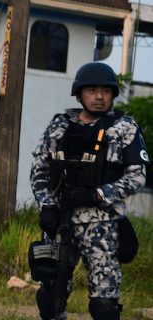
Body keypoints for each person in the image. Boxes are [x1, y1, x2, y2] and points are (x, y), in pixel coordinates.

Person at [29, 62, 148, 320]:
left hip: (104, 224)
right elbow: (39, 170)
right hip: (61, 222)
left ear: (113, 95)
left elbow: (138, 176)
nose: (99, 97)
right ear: (80, 94)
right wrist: (46, 205)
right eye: (92, 90)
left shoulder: (124, 127)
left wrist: (97, 195)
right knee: (50, 298)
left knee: (103, 306)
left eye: (105, 91)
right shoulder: (59, 125)